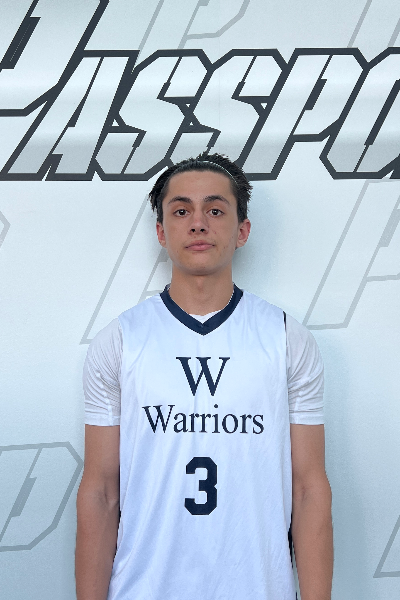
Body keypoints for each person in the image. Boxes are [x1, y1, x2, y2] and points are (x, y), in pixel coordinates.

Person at [75, 152, 333, 600]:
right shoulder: (120, 340)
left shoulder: (286, 338)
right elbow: (101, 491)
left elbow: (309, 488)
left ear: (242, 230)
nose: (198, 223)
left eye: (215, 210)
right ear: (161, 232)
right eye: (181, 211)